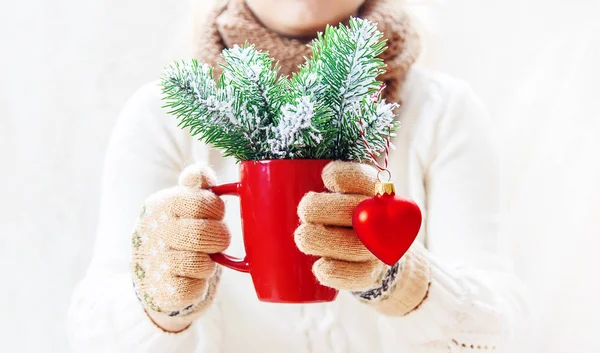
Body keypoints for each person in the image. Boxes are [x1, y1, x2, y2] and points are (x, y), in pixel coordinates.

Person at [67, 0, 527, 352]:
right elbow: (89, 335)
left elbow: (505, 332)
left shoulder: (444, 113)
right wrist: (160, 302)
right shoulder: (163, 112)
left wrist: (403, 281)